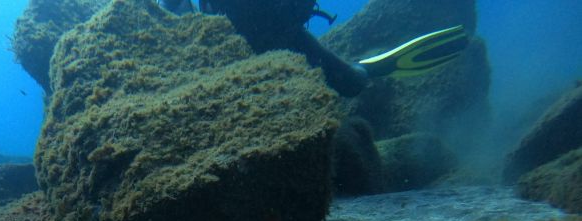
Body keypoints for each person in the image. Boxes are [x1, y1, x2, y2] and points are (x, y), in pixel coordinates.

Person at [159, 0, 468, 97]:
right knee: (350, 81)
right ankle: (366, 69)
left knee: (351, 82)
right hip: (246, 35)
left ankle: (370, 68)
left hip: (277, 33)